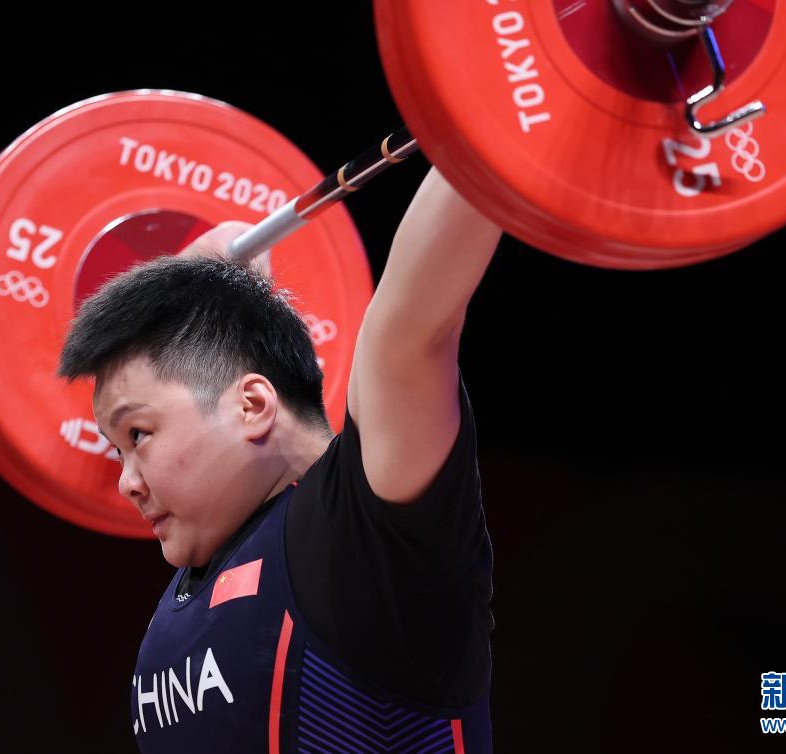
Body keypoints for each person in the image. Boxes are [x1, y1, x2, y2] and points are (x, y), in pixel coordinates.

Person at [58, 166, 502, 753]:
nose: (126, 483)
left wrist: (497, 121)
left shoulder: (366, 536)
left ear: (252, 405)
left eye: (138, 435)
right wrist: (198, 288)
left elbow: (411, 329)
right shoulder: (204, 569)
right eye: (117, 450)